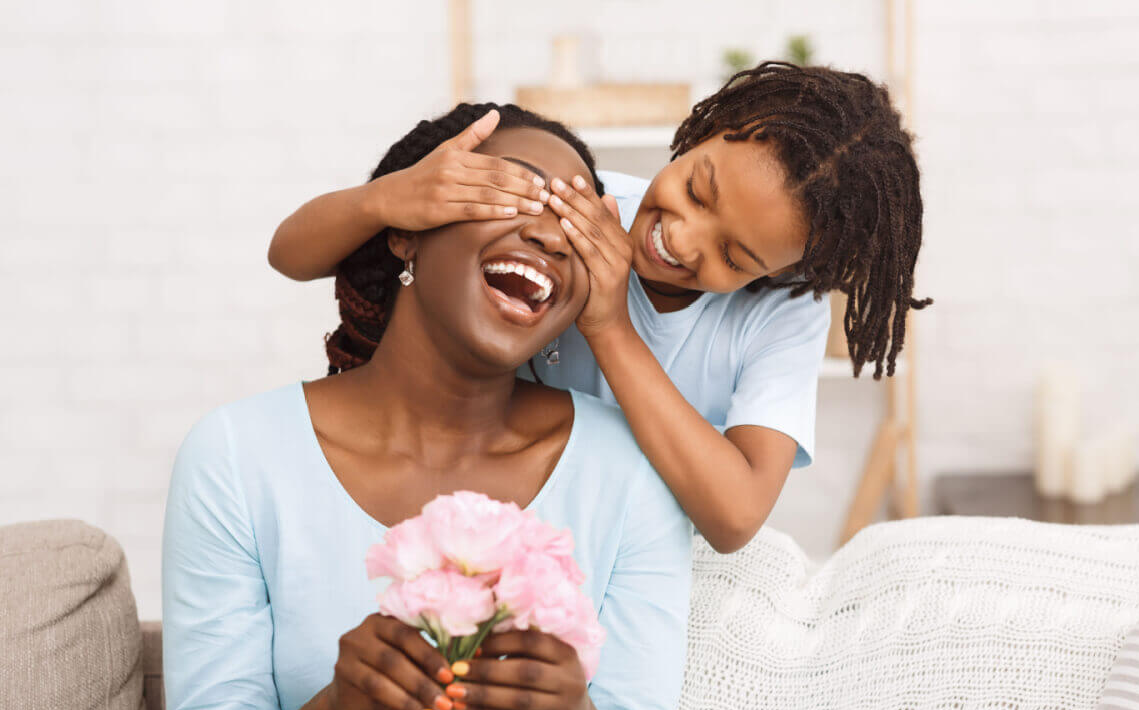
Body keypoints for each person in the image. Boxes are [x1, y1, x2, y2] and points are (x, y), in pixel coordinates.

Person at [162, 104, 693, 710]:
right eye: (519, 192)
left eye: (578, 225)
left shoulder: (627, 472)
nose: (549, 234)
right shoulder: (236, 456)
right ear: (407, 230)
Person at [267, 62, 932, 553]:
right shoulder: (579, 196)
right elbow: (291, 256)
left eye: (737, 258)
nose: (683, 240)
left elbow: (733, 518)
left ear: (787, 271)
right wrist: (388, 198)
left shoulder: (785, 313)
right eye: (698, 190)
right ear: (703, 130)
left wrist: (610, 325)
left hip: (627, 552)